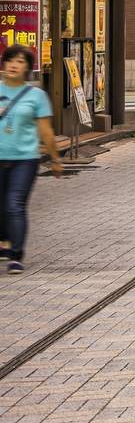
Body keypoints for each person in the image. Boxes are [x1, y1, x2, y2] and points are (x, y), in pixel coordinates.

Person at [0, 45, 64, 274]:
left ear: (27, 67)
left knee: (14, 205)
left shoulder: (36, 96)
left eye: (20, 61)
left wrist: (55, 159)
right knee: (2, 207)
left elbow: (46, 132)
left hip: (25, 159)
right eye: (10, 60)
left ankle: (16, 255)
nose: (14, 65)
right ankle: (4, 241)